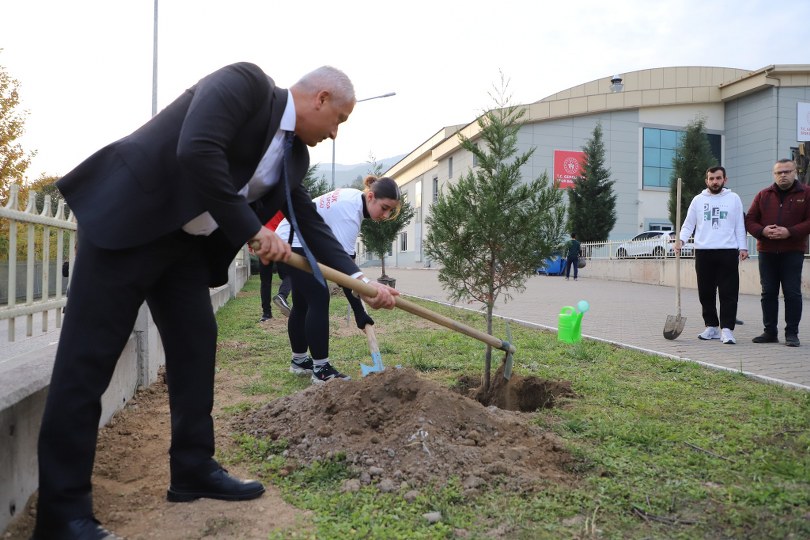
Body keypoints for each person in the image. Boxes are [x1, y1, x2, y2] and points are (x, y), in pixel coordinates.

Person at [33, 63, 398, 540]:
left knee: (196, 347)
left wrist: (362, 281)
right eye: (339, 120)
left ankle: (192, 468)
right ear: (321, 98)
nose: (334, 133)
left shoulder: (294, 160)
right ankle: (62, 513)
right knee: (87, 361)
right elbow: (196, 150)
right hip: (129, 223)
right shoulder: (246, 85)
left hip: (183, 249)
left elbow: (310, 223)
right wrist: (252, 229)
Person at [275, 176, 402, 383]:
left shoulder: (354, 198)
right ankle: (321, 370)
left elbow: (344, 265)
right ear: (371, 196)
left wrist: (360, 312)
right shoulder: (350, 214)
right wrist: (360, 312)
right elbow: (345, 275)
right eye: (384, 208)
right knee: (318, 296)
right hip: (293, 242)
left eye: (390, 211)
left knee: (302, 302)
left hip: (290, 238)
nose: (385, 215)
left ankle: (299, 361)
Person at [676, 166, 748, 344]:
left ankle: (727, 329)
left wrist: (743, 247)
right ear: (706, 181)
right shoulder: (698, 200)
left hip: (727, 251)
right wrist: (681, 240)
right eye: (711, 178)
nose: (715, 182)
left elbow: (740, 224)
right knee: (705, 292)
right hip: (704, 251)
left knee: (728, 292)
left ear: (725, 179)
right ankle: (711, 326)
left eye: (718, 178)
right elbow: (688, 224)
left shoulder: (733, 198)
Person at [745, 159, 810, 347]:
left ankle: (792, 333)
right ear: (774, 175)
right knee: (768, 293)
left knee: (792, 293)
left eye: (787, 171)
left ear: (795, 172)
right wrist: (763, 231)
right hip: (767, 252)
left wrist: (790, 231)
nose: (783, 175)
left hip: (793, 251)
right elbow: (750, 220)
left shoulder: (806, 193)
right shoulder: (763, 195)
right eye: (779, 172)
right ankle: (770, 332)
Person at [258, 211, 292, 321]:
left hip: (262, 243)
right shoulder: (281, 204)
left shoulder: (259, 204)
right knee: (289, 275)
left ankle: (266, 314)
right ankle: (282, 295)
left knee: (265, 281)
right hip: (279, 242)